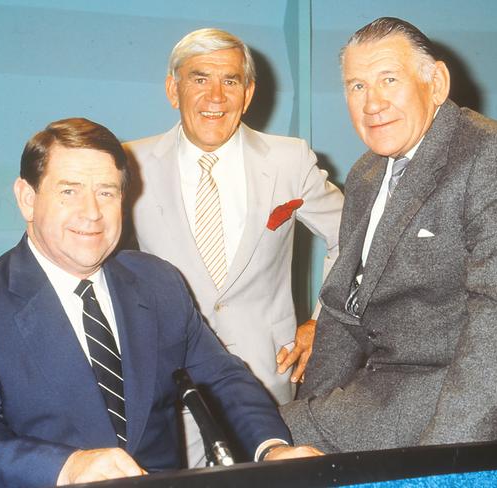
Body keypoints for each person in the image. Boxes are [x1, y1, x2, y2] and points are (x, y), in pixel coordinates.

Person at [0, 118, 321, 488]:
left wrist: (272, 449)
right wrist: (69, 466)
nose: (92, 213)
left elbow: (222, 379)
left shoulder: (157, 282)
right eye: (69, 191)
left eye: (107, 192)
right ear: (27, 199)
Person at [281, 17, 497, 452]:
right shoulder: (366, 173)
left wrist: (444, 467)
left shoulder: (496, 155)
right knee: (263, 433)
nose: (371, 103)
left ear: (437, 83)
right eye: (356, 86)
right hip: (384, 390)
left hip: (458, 402)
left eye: (388, 79)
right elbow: (340, 311)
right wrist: (307, 422)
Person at [123, 28, 343, 465]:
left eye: (230, 81)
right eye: (199, 78)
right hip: (167, 383)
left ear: (248, 93)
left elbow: (352, 237)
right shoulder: (129, 162)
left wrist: (323, 324)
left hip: (267, 382)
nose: (215, 96)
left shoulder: (290, 160)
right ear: (173, 88)